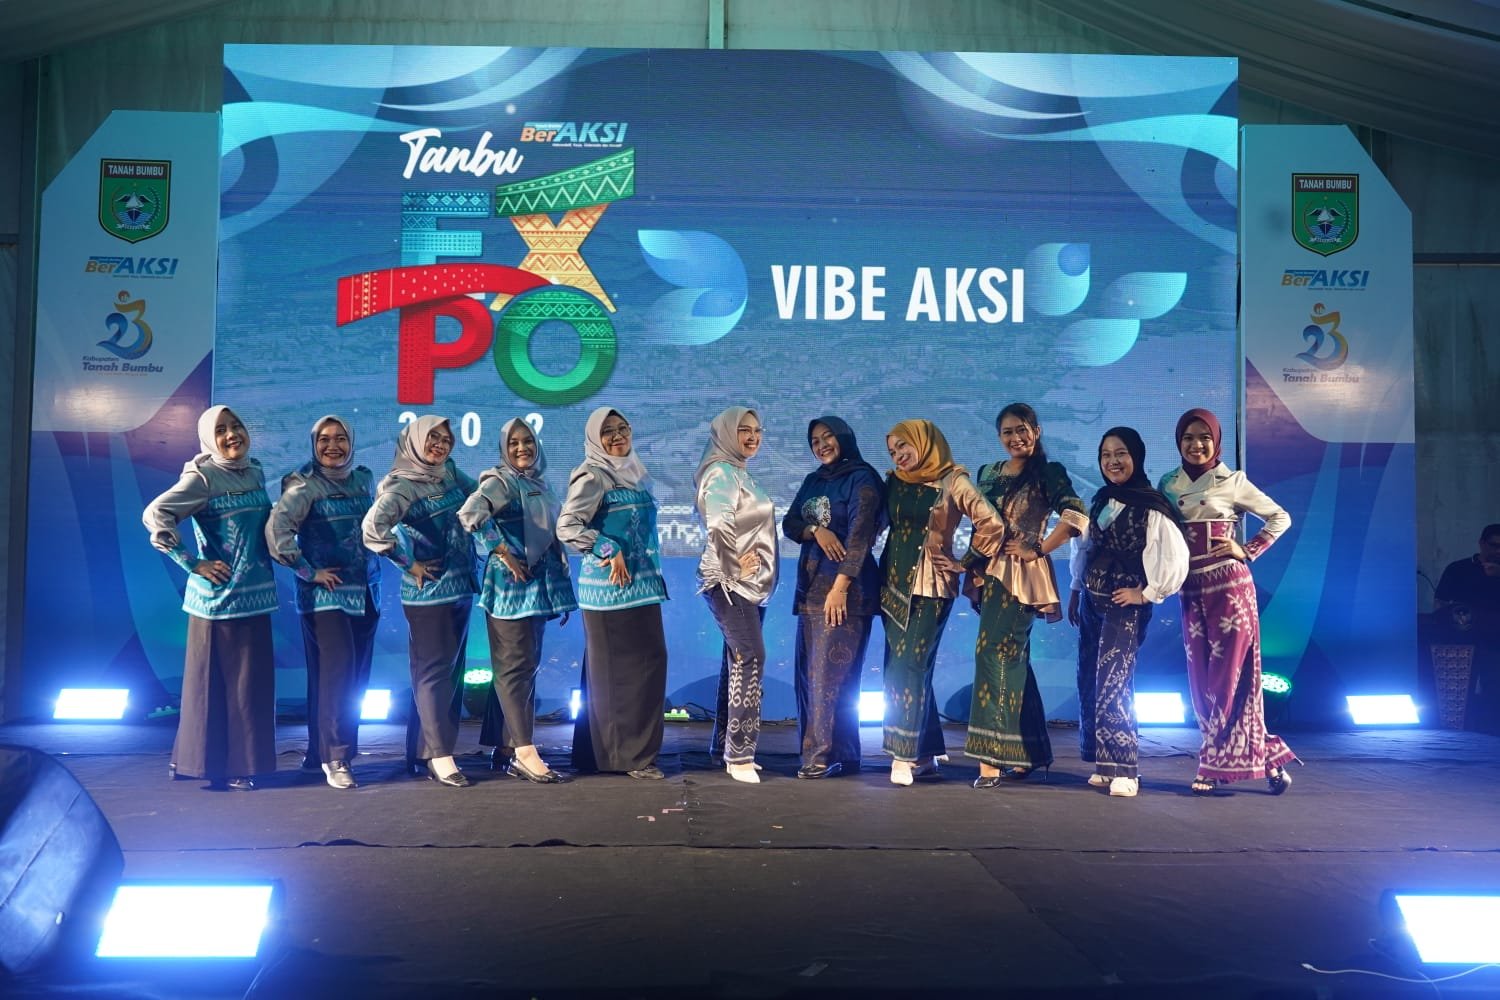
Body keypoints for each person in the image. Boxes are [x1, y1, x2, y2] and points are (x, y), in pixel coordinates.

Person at [1160, 408, 1296, 795]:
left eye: (1204, 437)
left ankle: (1211, 764)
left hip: (1230, 589)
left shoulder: (1232, 481)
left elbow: (1280, 517)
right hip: (1191, 590)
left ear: (1216, 441)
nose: (1196, 444)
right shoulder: (1168, 483)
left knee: (1228, 681)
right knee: (1201, 681)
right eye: (1188, 437)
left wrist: (1247, 549)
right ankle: (1269, 759)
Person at [142, 405, 277, 790]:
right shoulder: (202, 478)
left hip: (256, 597)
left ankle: (237, 764)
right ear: (208, 439)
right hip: (218, 603)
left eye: (236, 426)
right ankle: (216, 765)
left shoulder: (254, 471)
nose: (231, 435)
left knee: (249, 688)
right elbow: (156, 514)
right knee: (215, 688)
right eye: (221, 430)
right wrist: (191, 563)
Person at [965, 403, 1088, 787]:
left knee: (992, 653)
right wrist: (972, 569)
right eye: (1007, 432)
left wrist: (1038, 548)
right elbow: (980, 524)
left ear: (1036, 430)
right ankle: (1030, 751)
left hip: (1021, 575)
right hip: (989, 574)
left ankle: (991, 757)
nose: (1015, 438)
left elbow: (1076, 516)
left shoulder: (1049, 472)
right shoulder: (987, 472)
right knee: (1012, 658)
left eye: (1022, 429)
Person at [879, 419, 1007, 786]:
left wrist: (965, 561)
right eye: (892, 451)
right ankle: (925, 752)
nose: (898, 456)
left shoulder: (953, 481)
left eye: (904, 446)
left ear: (924, 443)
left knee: (908, 667)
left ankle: (902, 756)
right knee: (902, 668)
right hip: (892, 586)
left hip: (930, 588)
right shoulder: (894, 482)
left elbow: (992, 524)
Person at [1067, 427, 1188, 797]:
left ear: (1136, 456)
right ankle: (1103, 765)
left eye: (1120, 453)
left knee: (1114, 681)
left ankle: (1125, 768)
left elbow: (1174, 557)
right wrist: (1075, 589)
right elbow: (1085, 548)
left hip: (1125, 605)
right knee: (1090, 677)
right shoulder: (1102, 500)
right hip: (1091, 601)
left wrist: (1146, 593)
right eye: (1106, 455)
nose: (1113, 461)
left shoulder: (1151, 506)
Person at [457, 417, 577, 783]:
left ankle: (507, 746)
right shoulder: (501, 481)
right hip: (511, 588)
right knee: (514, 669)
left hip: (537, 588)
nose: (522, 448)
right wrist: (501, 550)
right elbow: (470, 514)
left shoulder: (538, 482)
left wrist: (559, 592)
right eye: (513, 443)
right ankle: (525, 752)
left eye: (527, 441)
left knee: (524, 667)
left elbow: (551, 538)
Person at [361, 416, 478, 788]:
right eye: (432, 438)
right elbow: (372, 529)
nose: (440, 445)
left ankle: (426, 751)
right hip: (428, 594)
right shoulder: (402, 486)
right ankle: (439, 756)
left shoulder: (448, 473)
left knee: (450, 676)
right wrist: (408, 563)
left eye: (445, 439)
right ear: (413, 442)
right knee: (432, 675)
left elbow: (479, 497)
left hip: (461, 587)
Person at [266, 415, 381, 790]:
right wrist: (307, 571)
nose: (333, 446)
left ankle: (320, 754)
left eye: (341, 438)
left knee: (351, 679)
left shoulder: (363, 479)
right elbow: (277, 532)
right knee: (337, 677)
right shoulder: (304, 485)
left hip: (366, 591)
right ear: (313, 444)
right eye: (324, 440)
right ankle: (336, 756)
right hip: (325, 597)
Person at [557, 407, 670, 780]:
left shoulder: (635, 472)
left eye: (623, 428)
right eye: (608, 431)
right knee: (618, 677)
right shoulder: (592, 475)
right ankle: (628, 757)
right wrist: (607, 547)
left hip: (642, 587)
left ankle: (614, 753)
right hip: (609, 592)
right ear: (595, 438)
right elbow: (567, 526)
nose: (618, 436)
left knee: (648, 667)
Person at [782, 417, 885, 779]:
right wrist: (816, 530)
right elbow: (790, 523)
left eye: (828, 437)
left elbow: (860, 536)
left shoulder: (863, 479)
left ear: (844, 438)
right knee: (811, 677)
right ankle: (840, 754)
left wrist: (840, 587)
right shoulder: (814, 480)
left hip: (846, 592)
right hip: (811, 589)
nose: (821, 445)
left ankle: (822, 756)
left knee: (832, 677)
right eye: (815, 440)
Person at [695, 407, 778, 784]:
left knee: (737, 660)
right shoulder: (721, 473)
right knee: (750, 656)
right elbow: (717, 523)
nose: (752, 437)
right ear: (727, 433)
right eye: (744, 430)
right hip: (730, 585)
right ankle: (740, 754)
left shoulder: (739, 472)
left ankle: (723, 747)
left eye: (757, 430)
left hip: (749, 587)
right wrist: (731, 566)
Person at [1434, 523, 1500, 731]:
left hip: (1495, 642)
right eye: (1494, 545)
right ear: (1481, 544)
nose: (1498, 551)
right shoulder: (1459, 569)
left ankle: (1491, 730)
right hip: (1461, 642)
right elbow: (1441, 603)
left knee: (1494, 688)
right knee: (1459, 691)